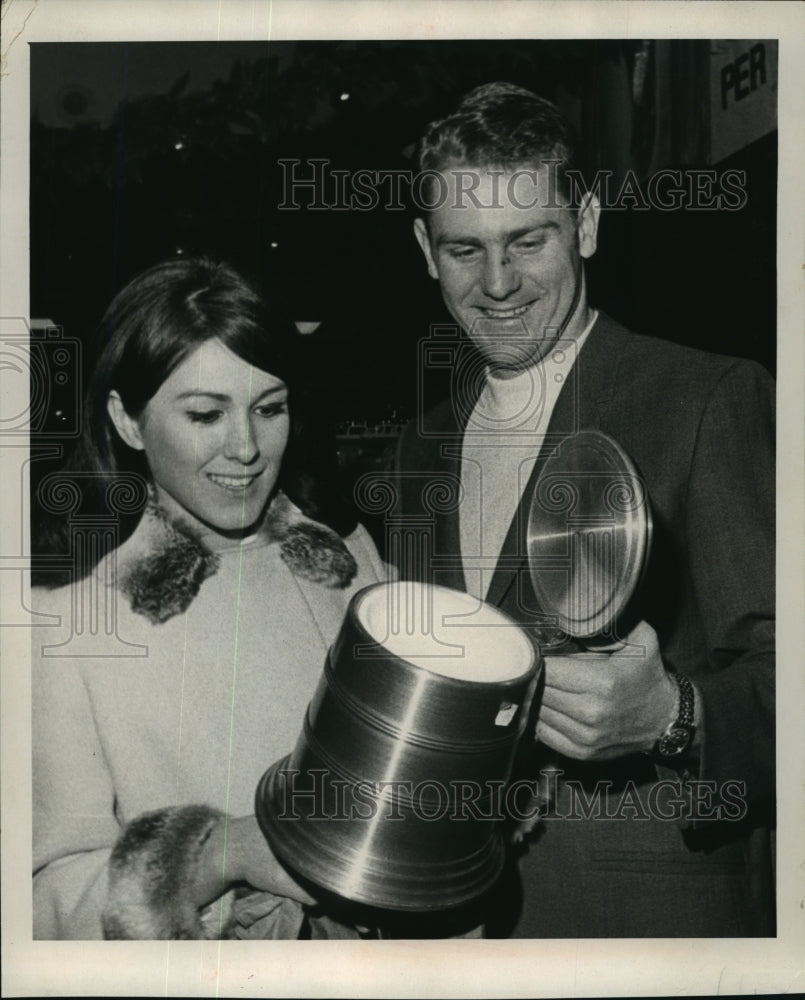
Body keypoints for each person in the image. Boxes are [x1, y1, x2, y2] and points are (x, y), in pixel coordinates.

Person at [395, 82, 775, 937]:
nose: (497, 284)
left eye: (527, 240)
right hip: (461, 921)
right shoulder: (420, 447)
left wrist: (674, 718)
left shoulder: (705, 397)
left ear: (588, 224)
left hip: (648, 923)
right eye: (464, 250)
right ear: (425, 247)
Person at [31, 257, 389, 940]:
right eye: (205, 413)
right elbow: (43, 901)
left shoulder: (352, 566)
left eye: (269, 408)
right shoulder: (62, 622)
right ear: (128, 421)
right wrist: (217, 855)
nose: (247, 448)